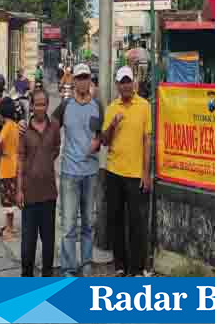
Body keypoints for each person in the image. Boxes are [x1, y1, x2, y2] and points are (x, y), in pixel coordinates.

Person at [102, 66, 152, 276]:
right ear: (117, 85)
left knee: (136, 222)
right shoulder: (112, 108)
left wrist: (146, 172)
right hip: (114, 172)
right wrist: (112, 125)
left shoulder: (144, 106)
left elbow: (147, 140)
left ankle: (137, 267)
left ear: (134, 83)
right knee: (115, 219)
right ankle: (120, 265)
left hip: (135, 175)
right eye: (122, 82)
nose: (125, 85)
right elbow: (104, 141)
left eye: (128, 81)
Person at [52, 63, 101, 276]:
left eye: (86, 77)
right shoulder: (65, 106)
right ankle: (69, 267)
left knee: (89, 222)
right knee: (69, 224)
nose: (82, 81)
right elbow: (49, 126)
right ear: (74, 81)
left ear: (90, 80)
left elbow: (103, 134)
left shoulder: (98, 105)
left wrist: (98, 141)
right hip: (69, 173)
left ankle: (86, 263)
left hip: (91, 172)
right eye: (79, 77)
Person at [17, 89, 61, 277]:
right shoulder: (24, 129)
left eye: (44, 104)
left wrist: (43, 164)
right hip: (29, 193)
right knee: (28, 243)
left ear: (47, 105)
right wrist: (19, 189)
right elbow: (20, 159)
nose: (41, 108)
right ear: (32, 106)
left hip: (49, 193)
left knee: (48, 241)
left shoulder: (55, 126)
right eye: (37, 104)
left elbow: (56, 149)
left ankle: (47, 278)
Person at [0, 97, 19, 242]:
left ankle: (9, 230)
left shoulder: (7, 127)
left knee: (7, 200)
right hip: (14, 166)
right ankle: (8, 225)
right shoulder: (14, 126)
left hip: (6, 168)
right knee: (10, 199)